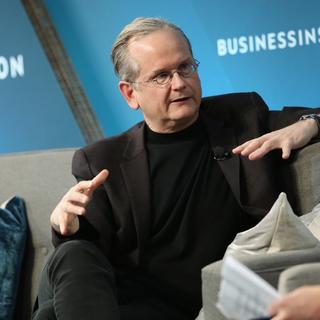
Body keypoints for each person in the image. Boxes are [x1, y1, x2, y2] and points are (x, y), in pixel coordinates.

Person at [32, 17, 320, 320]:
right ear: (130, 94)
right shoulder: (103, 159)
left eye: (185, 67)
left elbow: (312, 116)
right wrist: (66, 228)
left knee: (49, 315)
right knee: (72, 253)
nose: (180, 83)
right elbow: (86, 266)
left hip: (214, 296)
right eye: (161, 76)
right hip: (137, 304)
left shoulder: (242, 117)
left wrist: (309, 125)